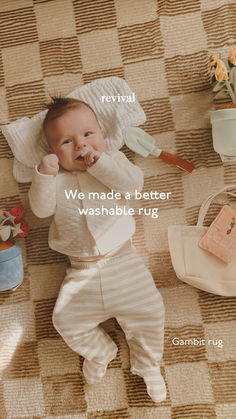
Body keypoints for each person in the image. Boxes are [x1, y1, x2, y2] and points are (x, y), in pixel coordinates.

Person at [28, 97, 166, 403]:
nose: (81, 146)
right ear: (53, 152)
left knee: (151, 313)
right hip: (81, 276)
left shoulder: (113, 162)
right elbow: (39, 209)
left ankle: (148, 365)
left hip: (125, 265)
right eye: (67, 141)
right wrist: (43, 175)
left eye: (88, 135)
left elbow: (132, 185)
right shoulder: (57, 182)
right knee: (64, 321)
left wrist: (100, 162)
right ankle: (101, 351)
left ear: (102, 135)